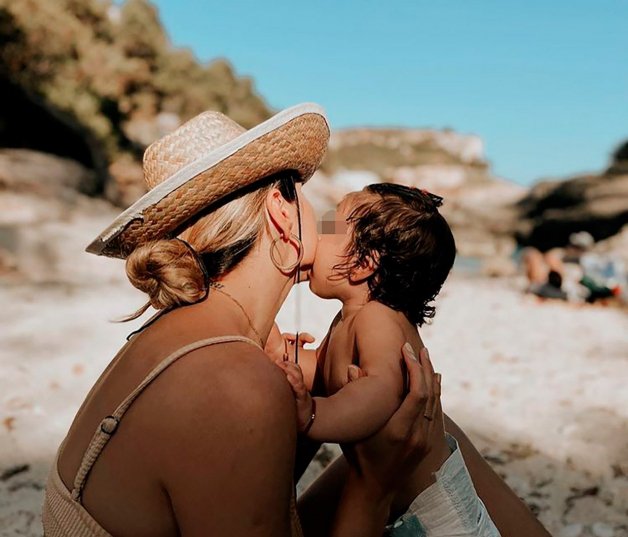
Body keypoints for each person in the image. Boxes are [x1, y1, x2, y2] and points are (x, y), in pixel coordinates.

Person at [41, 103, 550, 536]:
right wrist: (374, 489)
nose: (320, 212)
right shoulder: (233, 383)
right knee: (413, 447)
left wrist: (309, 407)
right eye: (312, 198)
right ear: (280, 211)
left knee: (419, 429)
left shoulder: (194, 336)